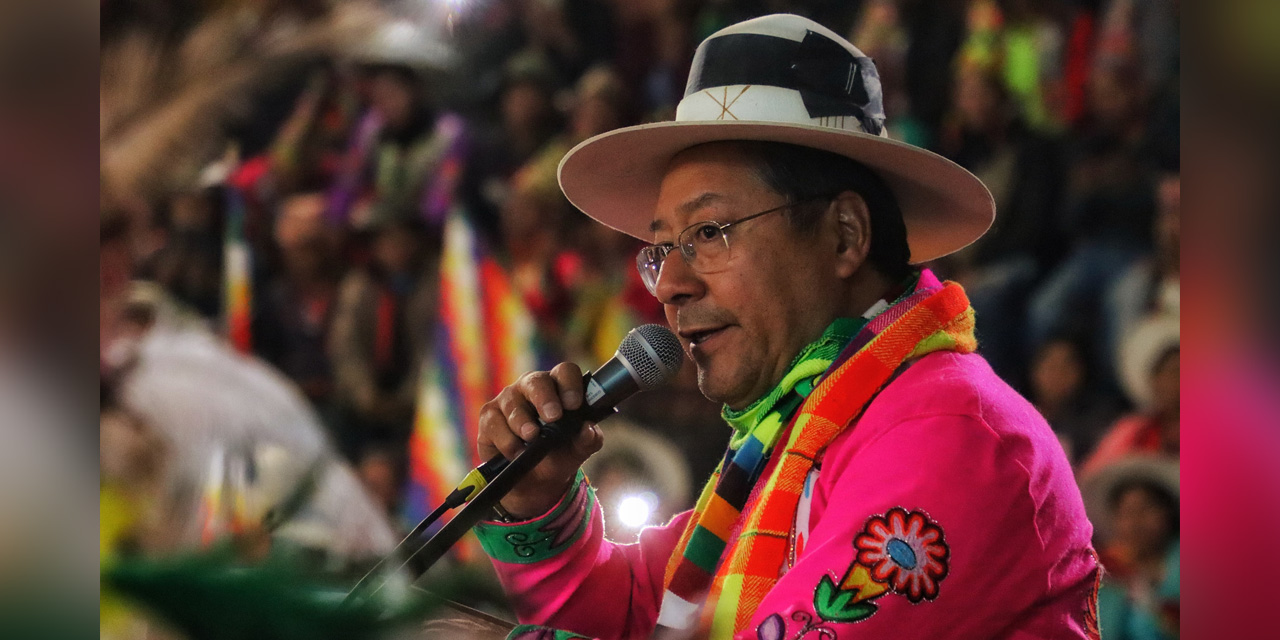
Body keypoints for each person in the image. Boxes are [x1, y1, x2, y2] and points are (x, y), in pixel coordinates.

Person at [472, 14, 1098, 640]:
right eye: (661, 248)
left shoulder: (952, 433)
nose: (668, 285)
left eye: (709, 233)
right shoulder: (787, 441)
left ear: (844, 236)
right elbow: (637, 615)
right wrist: (538, 500)